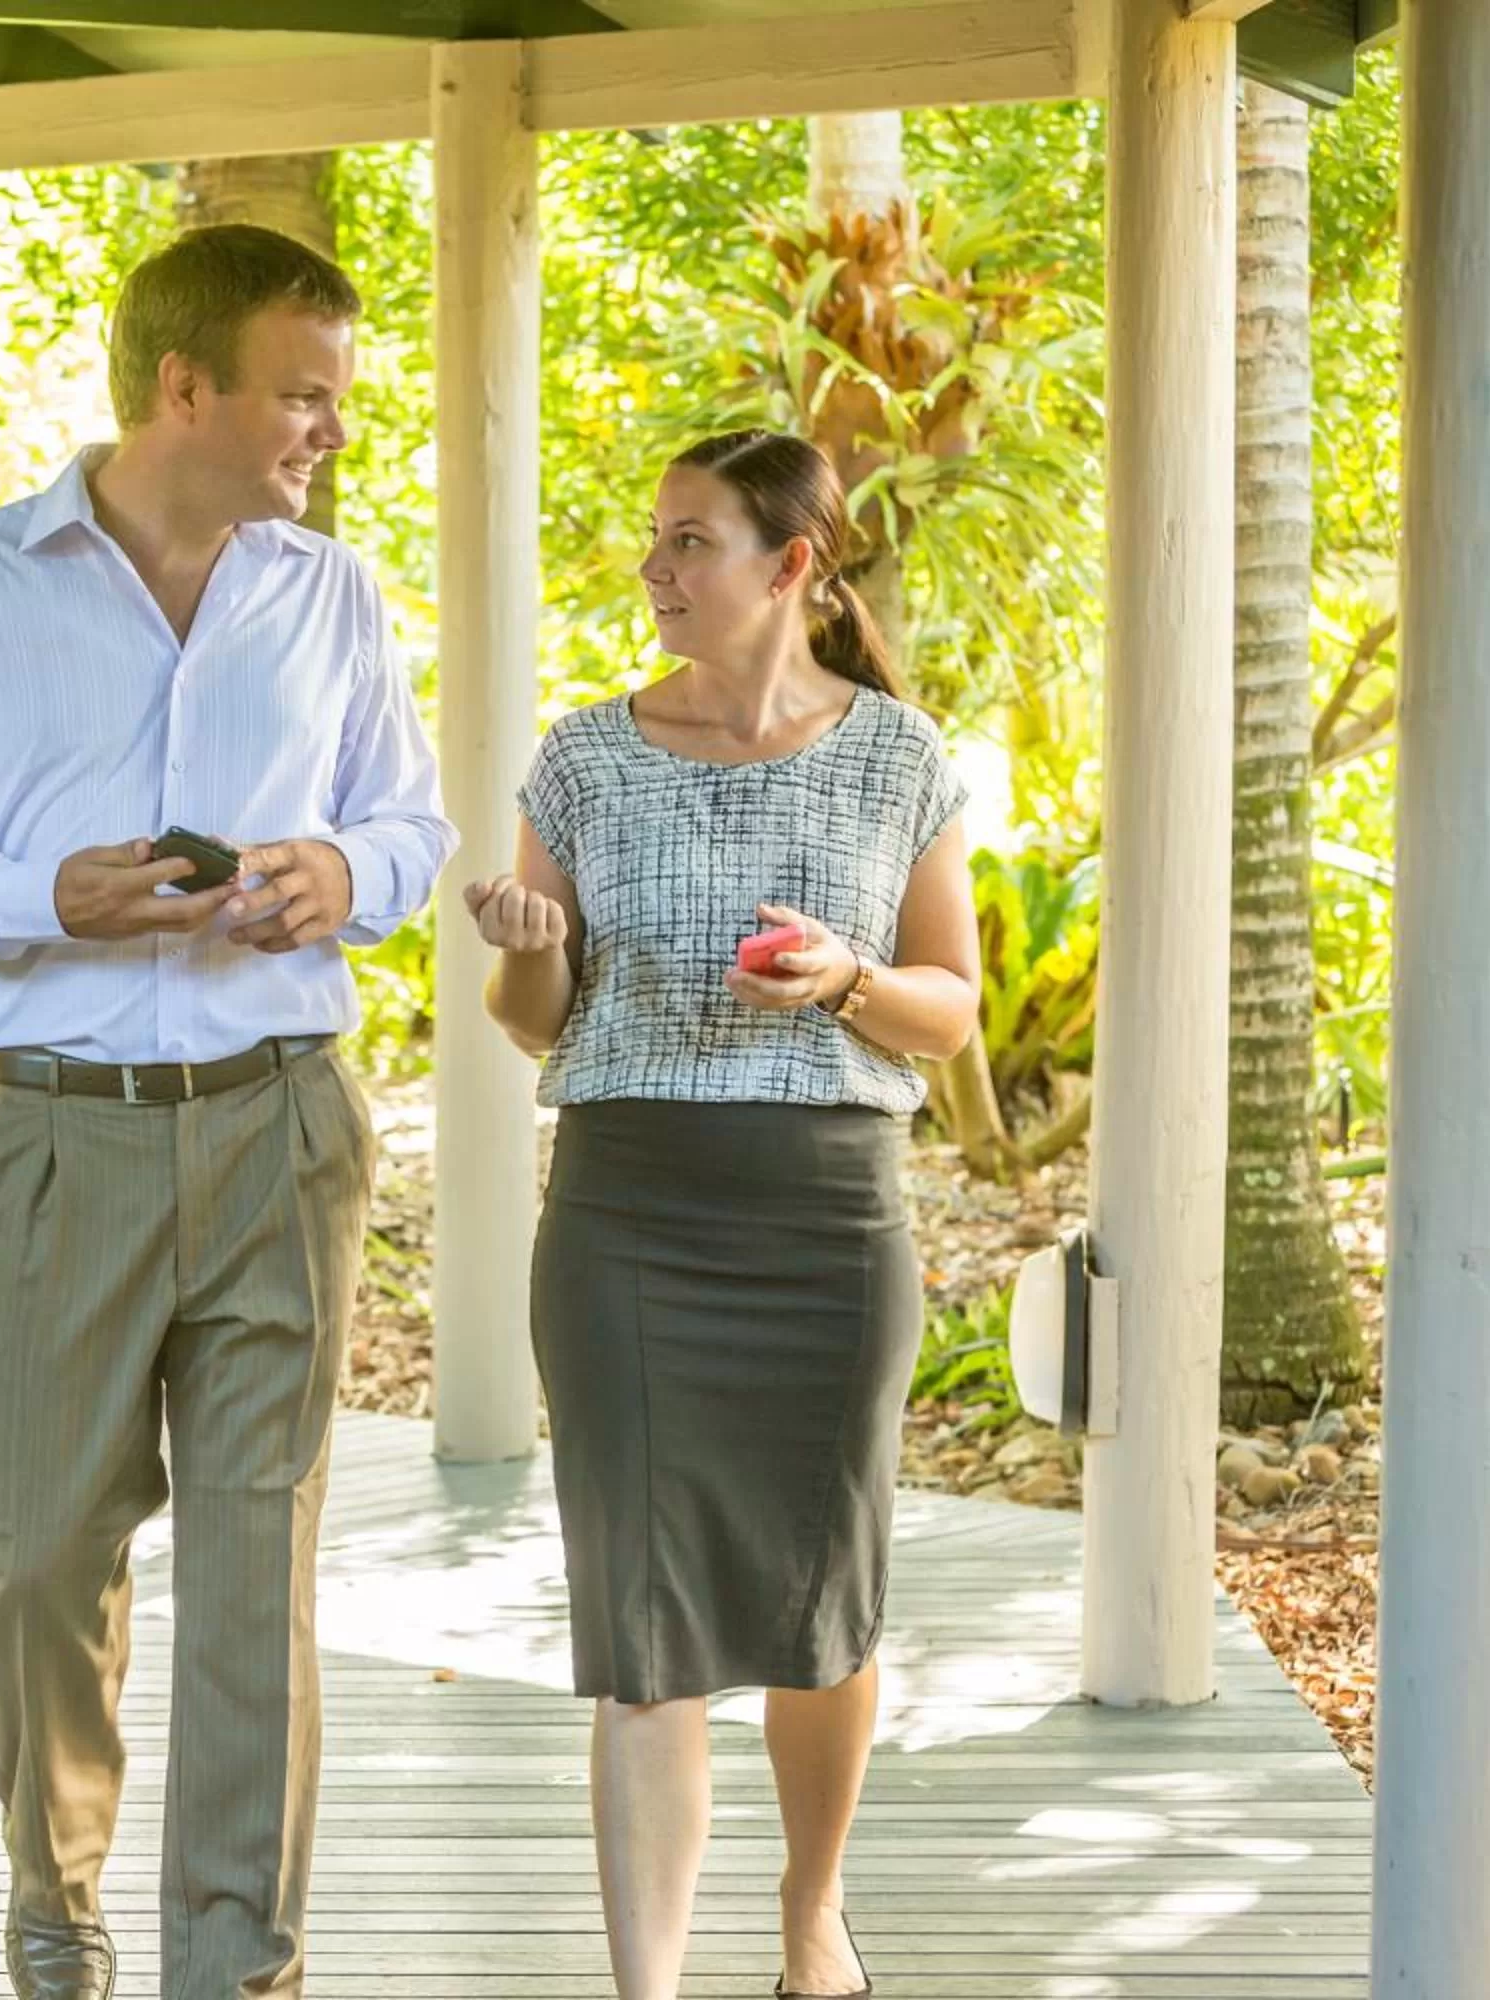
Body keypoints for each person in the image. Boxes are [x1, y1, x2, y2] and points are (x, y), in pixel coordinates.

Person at [0, 223, 455, 2000]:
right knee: (34, 1555)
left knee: (257, 1573)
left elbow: (412, 825)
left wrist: (341, 873)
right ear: (186, 387)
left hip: (282, 1130)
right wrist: (40, 897)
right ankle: (58, 1896)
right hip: (55, 1140)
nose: (330, 429)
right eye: (301, 395)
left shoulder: (335, 594)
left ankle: (238, 1962)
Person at [466, 429, 983, 2000]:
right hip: (626, 1218)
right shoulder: (581, 759)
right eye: (656, 539)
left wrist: (848, 979)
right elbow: (536, 1023)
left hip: (828, 1226)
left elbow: (949, 1009)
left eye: (689, 540)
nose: (655, 569)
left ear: (790, 565)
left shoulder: (900, 757)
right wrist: (530, 942)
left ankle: (813, 1914)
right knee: (645, 1628)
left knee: (826, 1614)